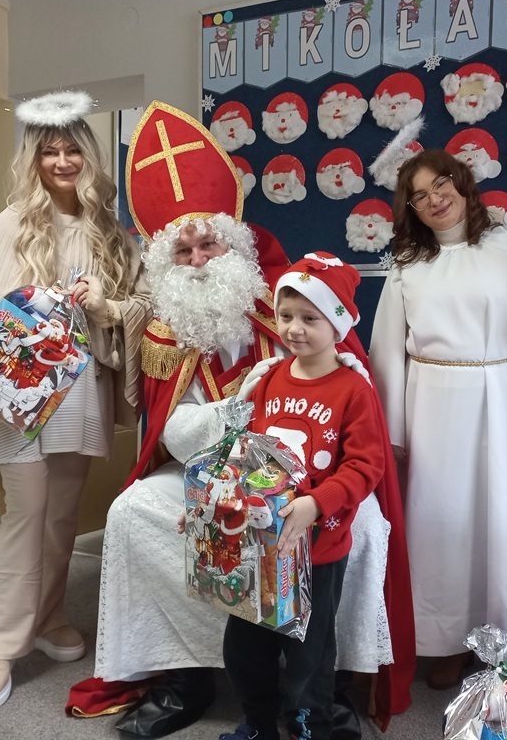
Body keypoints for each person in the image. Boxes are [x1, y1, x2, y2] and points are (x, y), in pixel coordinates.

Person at [67, 102, 415, 734]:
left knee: (363, 524)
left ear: (236, 242)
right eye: (183, 250)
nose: (199, 259)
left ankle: (328, 682)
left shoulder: (291, 307)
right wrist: (233, 417)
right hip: (212, 469)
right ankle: (181, 677)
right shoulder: (167, 327)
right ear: (166, 260)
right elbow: (174, 434)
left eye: (209, 243)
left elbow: (351, 421)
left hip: (310, 477)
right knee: (131, 512)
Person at [0, 90, 151, 710]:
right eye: (51, 152)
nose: (63, 161)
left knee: (61, 516)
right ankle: (3, 642)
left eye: (74, 150)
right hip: (13, 391)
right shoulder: (14, 223)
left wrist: (108, 307)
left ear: (90, 157)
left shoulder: (112, 234)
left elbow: (143, 311)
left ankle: (47, 616)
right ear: (35, 160)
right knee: (25, 513)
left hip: (80, 390)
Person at [369, 148, 507, 688]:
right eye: (418, 196)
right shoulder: (406, 263)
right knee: (441, 521)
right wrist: (393, 435)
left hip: (500, 396)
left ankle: (506, 638)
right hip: (433, 404)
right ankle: (444, 640)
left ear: (462, 182)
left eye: (440, 184)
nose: (434, 200)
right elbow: (386, 352)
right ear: (410, 209)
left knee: (502, 516)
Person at [219, 251, 385, 740]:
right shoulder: (269, 378)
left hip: (318, 550)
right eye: (286, 315)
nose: (294, 329)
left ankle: (308, 728)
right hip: (260, 546)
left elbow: (366, 465)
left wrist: (319, 501)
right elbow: (245, 451)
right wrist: (214, 504)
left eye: (310, 318)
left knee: (309, 654)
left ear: (337, 324)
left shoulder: (354, 390)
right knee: (246, 646)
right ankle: (257, 723)